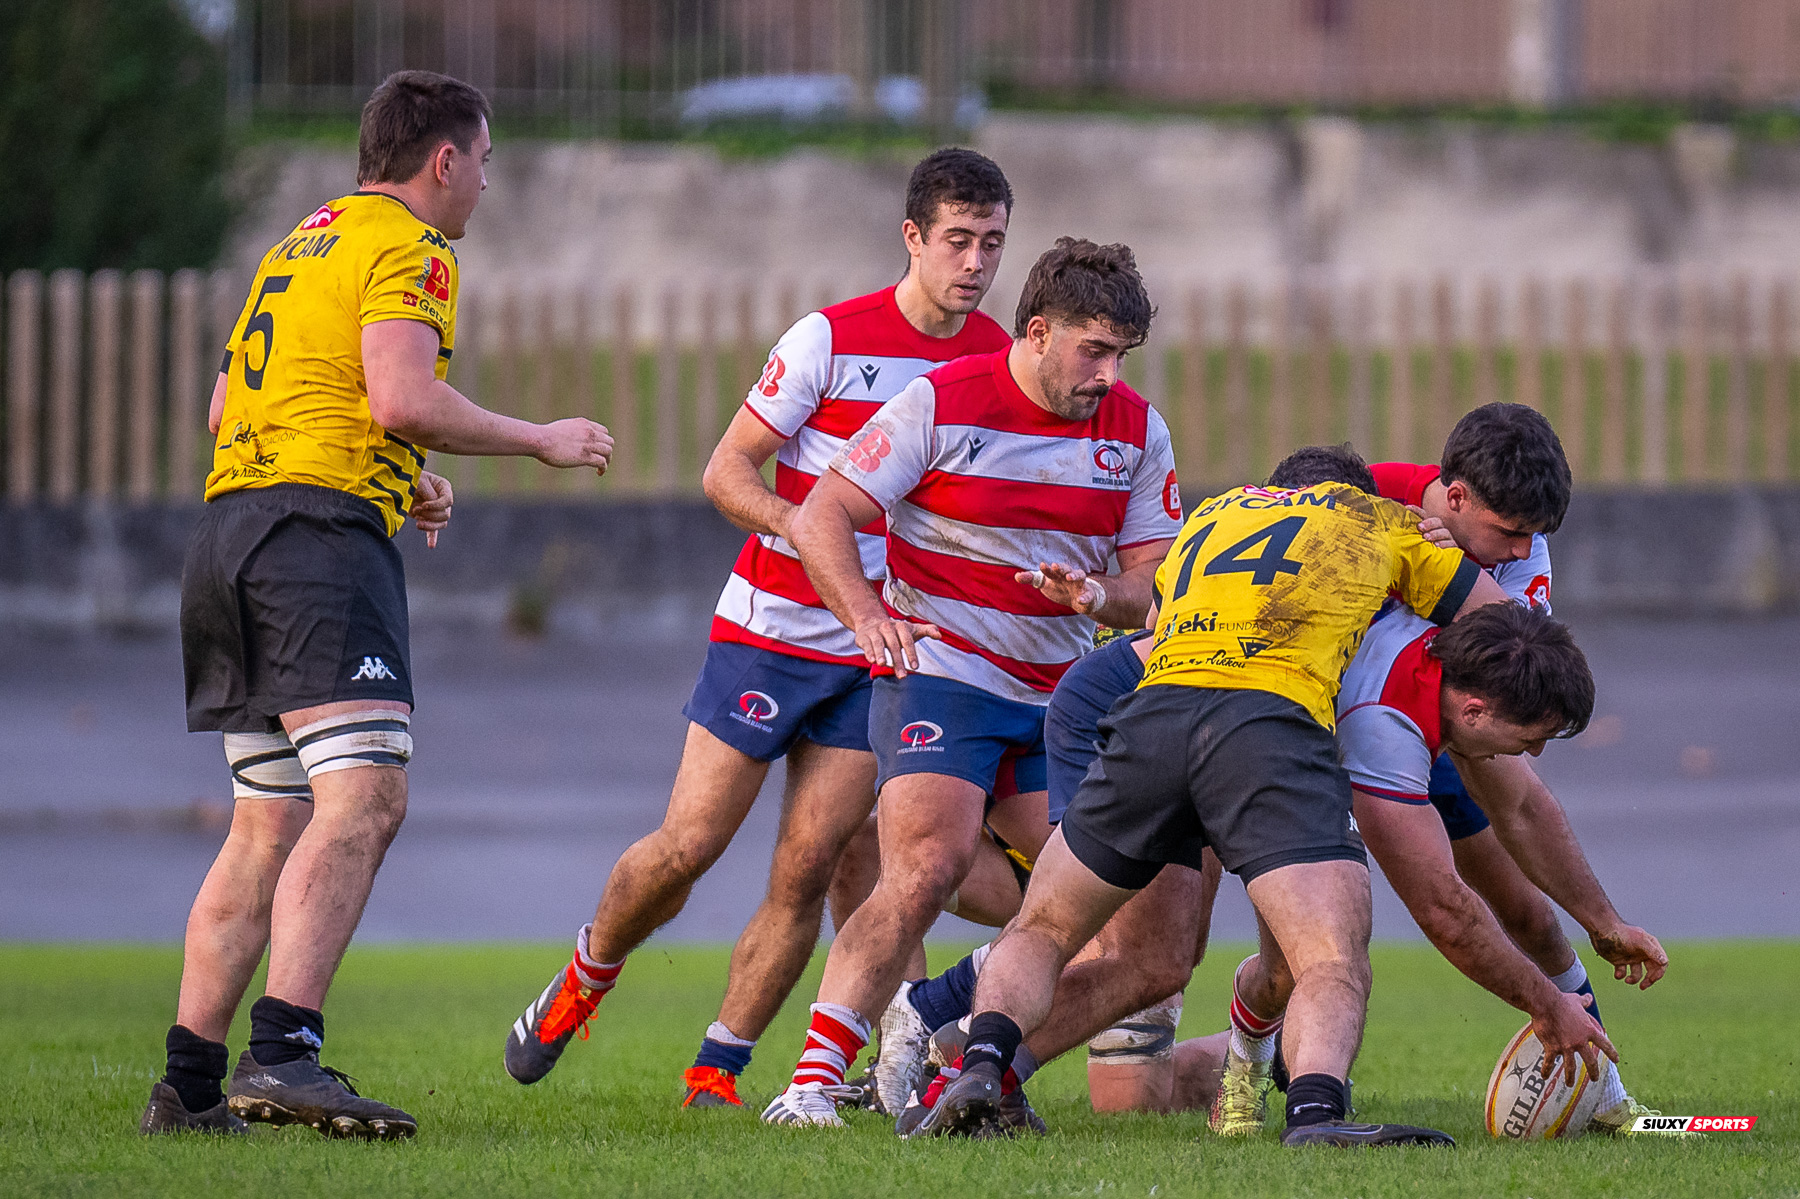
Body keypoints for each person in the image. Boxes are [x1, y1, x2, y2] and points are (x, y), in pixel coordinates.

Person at [140, 71, 614, 1139]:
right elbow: (400, 395)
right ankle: (285, 1053)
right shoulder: (412, 246)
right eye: (485, 164)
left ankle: (190, 1083)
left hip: (227, 534)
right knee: (366, 799)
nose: (486, 187)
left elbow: (233, 404)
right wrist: (538, 437)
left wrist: (397, 471)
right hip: (312, 545)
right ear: (442, 160)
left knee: (266, 822)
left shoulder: (299, 244)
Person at [500, 149, 1016, 1109]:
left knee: (810, 863)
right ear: (912, 237)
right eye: (958, 240)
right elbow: (726, 470)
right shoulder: (830, 337)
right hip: (769, 629)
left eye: (991, 242)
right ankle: (586, 973)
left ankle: (717, 1070)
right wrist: (805, 526)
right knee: (690, 842)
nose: (976, 261)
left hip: (881, 648)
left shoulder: (994, 359)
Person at [919, 444, 1519, 1147]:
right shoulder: (1377, 520)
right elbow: (1504, 627)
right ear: (1356, 494)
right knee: (1329, 952)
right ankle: (1318, 1113)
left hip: (1150, 714)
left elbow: (1154, 613)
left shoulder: (1215, 515)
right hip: (1266, 721)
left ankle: (982, 1065)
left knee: (1048, 928)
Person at [759, 237, 1183, 1128]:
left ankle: (950, 1038)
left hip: (1059, 701)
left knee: (1103, 921)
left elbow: (1153, 586)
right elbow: (823, 514)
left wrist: (1102, 592)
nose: (1109, 373)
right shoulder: (940, 402)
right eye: (1093, 351)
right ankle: (809, 1084)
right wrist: (866, 617)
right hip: (944, 675)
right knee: (926, 864)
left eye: (1122, 356)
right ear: (1036, 332)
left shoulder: (1137, 430)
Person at [1205, 599, 1680, 1138]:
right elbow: (1443, 909)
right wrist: (1547, 1006)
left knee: (1531, 915)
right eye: (1531, 740)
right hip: (1266, 749)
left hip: (1344, 730)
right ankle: (1248, 1068)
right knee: (1305, 963)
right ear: (1476, 711)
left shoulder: (1448, 660)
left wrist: (1605, 923)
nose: (1537, 752)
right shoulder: (1384, 727)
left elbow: (1523, 809)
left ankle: (1603, 1094)